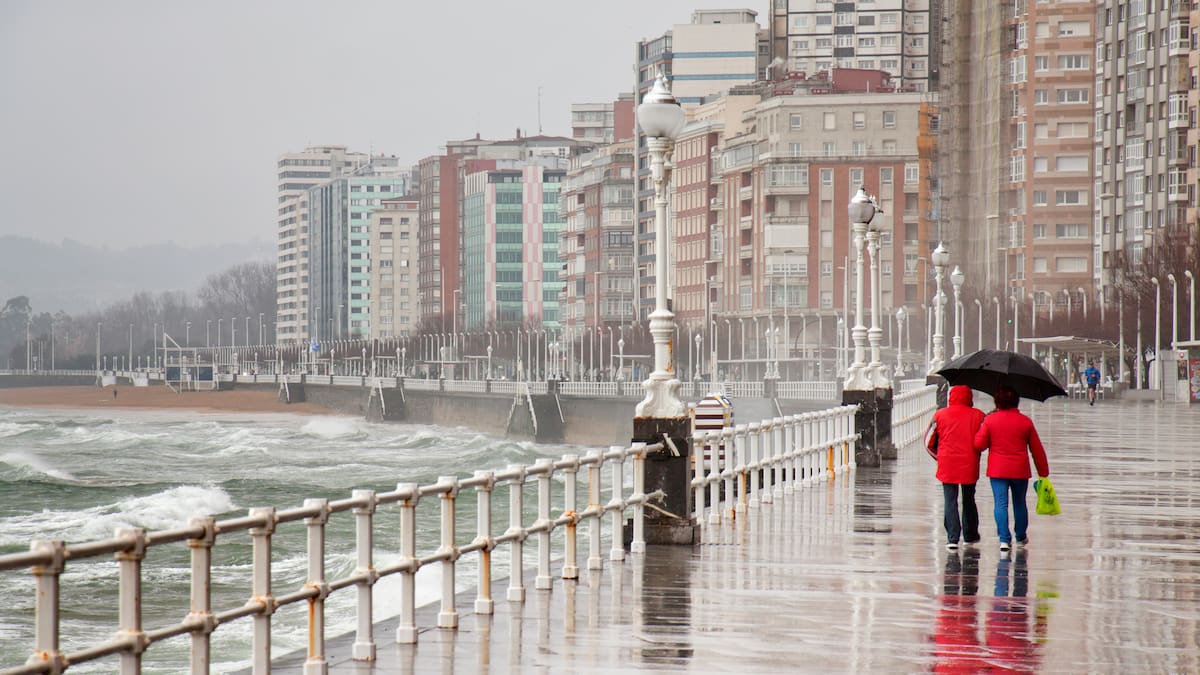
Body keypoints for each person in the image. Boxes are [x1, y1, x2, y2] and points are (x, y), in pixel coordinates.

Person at [973, 385, 1050, 553]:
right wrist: (1043, 472)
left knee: (1000, 504)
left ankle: (1004, 539)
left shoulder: (991, 421)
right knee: (1020, 503)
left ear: (997, 402)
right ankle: (1021, 536)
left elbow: (979, 445)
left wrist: (983, 426)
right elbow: (1037, 450)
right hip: (1020, 470)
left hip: (998, 470)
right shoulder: (1025, 422)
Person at [931, 385, 987, 550]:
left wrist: (939, 457)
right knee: (969, 499)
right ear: (970, 397)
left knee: (950, 500)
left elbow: (929, 440)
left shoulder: (939, 415)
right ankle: (970, 535)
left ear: (950, 397)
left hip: (947, 463)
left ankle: (952, 538)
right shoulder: (979, 416)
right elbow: (983, 441)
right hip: (969, 463)